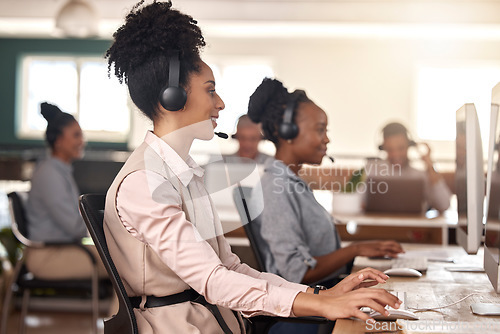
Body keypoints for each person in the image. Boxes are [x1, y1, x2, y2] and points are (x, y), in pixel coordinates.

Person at [103, 1, 401, 333]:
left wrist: (319, 294)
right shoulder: (144, 182)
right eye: (210, 90)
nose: (221, 103)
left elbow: (229, 266)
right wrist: (320, 303)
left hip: (214, 322)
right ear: (171, 98)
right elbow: (213, 281)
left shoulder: (183, 173)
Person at [247, 78, 404, 286]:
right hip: (312, 304)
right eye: (320, 129)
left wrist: (358, 252)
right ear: (287, 131)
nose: (327, 139)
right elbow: (297, 272)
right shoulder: (275, 188)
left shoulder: (292, 182)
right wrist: (355, 250)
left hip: (326, 290)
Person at [25, 102, 108, 280]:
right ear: (59, 140)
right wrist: (107, 224)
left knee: (120, 261)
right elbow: (73, 227)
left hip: (62, 250)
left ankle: (115, 309)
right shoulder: (50, 174)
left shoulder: (59, 170)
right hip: (48, 256)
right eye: (76, 135)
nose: (82, 141)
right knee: (122, 266)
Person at [375, 122, 452, 212]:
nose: (396, 154)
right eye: (390, 149)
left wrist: (429, 165)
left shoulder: (420, 176)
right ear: (383, 148)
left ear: (409, 145)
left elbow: (444, 204)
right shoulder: (373, 174)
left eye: (400, 148)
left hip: (415, 226)